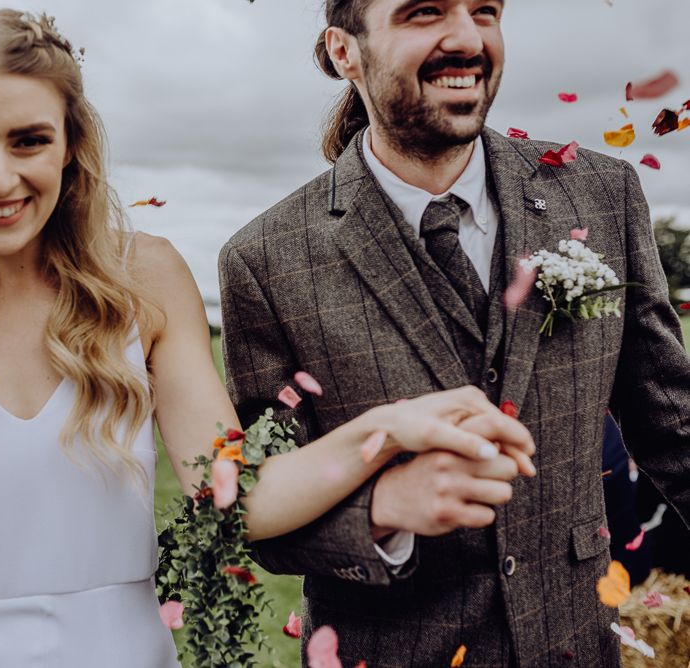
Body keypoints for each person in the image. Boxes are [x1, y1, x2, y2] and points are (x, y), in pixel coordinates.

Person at [0, 8, 535, 666]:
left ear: (70, 144)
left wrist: (393, 426)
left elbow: (232, 494)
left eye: (29, 140)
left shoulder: (142, 275)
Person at [219, 1, 690, 666]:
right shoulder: (265, 260)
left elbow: (673, 427)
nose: (467, 38)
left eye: (485, 10)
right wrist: (383, 507)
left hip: (578, 646)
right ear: (344, 51)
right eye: (424, 12)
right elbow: (257, 514)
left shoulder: (602, 194)